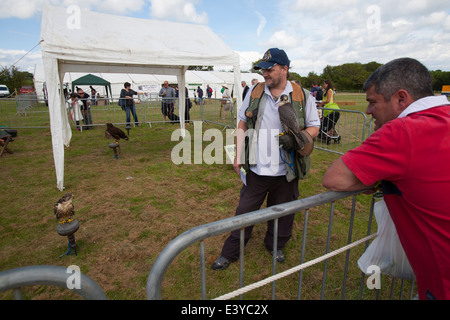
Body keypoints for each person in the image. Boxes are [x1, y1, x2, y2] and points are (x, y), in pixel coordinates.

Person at [322, 57, 450, 300]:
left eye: (372, 102)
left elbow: (335, 178)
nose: (368, 111)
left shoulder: (403, 131)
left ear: (401, 99)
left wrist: (378, 178)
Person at [212, 48, 320, 271]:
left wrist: (300, 138)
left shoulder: (303, 95)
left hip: (287, 171)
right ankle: (230, 252)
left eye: (269, 69)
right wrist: (239, 154)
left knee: (282, 213)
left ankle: (275, 246)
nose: (265, 73)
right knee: (244, 213)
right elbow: (242, 122)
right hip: (257, 169)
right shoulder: (254, 91)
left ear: (284, 69)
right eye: (263, 69)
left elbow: (315, 126)